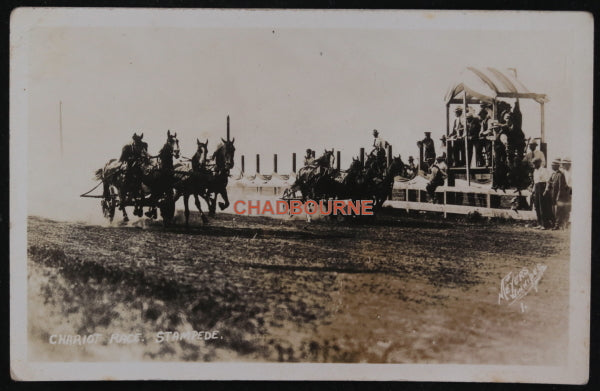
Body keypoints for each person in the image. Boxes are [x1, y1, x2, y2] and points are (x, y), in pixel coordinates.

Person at [547, 158, 569, 229]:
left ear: (557, 166)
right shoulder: (553, 173)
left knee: (558, 211)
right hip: (552, 194)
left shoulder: (560, 174)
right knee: (553, 210)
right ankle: (554, 223)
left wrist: (558, 196)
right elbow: (549, 182)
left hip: (558, 196)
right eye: (551, 165)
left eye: (553, 165)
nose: (551, 167)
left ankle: (557, 225)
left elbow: (560, 187)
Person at [531, 158, 553, 229]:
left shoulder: (544, 170)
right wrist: (533, 191)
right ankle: (539, 223)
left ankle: (545, 224)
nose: (533, 165)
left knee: (542, 207)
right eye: (533, 163)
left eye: (535, 163)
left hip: (542, 188)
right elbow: (535, 182)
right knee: (537, 206)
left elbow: (547, 181)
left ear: (539, 163)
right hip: (537, 188)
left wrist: (546, 190)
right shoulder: (535, 171)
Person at [560, 158, 572, 228]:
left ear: (568, 165)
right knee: (565, 207)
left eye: (564, 164)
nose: (563, 166)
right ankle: (565, 223)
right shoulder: (564, 172)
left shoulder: (572, 172)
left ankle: (568, 222)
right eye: (563, 164)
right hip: (566, 190)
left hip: (571, 190)